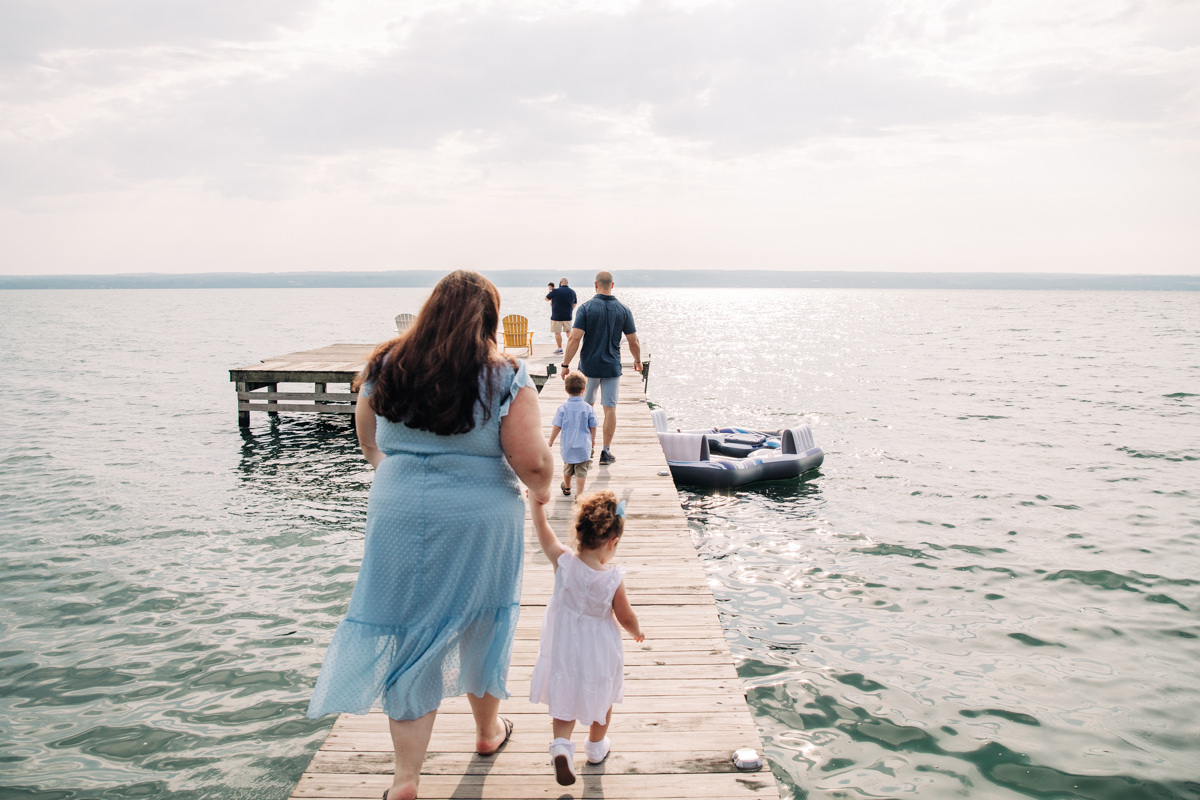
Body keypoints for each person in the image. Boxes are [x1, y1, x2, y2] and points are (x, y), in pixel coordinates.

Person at [307, 270, 554, 800]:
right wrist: (544, 489)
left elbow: (369, 441)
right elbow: (532, 463)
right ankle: (487, 735)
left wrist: (399, 475)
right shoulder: (506, 374)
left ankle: (406, 777)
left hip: (397, 511)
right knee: (483, 622)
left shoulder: (384, 363)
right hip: (479, 518)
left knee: (411, 631)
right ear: (488, 318)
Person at [528, 491, 643, 786]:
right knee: (602, 695)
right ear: (612, 542)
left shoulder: (563, 562)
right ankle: (595, 748)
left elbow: (543, 532)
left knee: (564, 694)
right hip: (599, 649)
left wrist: (535, 504)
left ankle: (562, 746)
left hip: (565, 645)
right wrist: (637, 632)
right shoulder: (612, 579)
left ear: (579, 533)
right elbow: (625, 615)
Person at [560, 271, 641, 465]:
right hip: (612, 368)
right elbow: (633, 341)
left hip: (588, 368)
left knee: (585, 407)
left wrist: (565, 365)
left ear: (595, 285)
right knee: (610, 408)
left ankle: (586, 449)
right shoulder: (624, 310)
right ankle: (606, 452)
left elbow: (574, 338)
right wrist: (637, 360)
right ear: (612, 285)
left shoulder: (586, 308)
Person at [547, 372, 597, 498]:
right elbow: (593, 426)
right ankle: (579, 494)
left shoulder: (562, 408)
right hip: (583, 445)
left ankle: (567, 488)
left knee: (568, 468)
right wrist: (592, 440)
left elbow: (557, 426)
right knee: (581, 471)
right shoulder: (588, 408)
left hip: (568, 445)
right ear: (583, 390)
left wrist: (550, 442)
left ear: (565, 390)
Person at [545, 278, 577, 355]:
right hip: (567, 315)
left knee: (557, 332)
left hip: (556, 316)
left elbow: (546, 298)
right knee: (568, 331)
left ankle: (560, 348)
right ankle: (572, 347)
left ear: (561, 282)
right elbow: (575, 304)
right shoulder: (572, 292)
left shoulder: (555, 291)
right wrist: (570, 310)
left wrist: (550, 293)